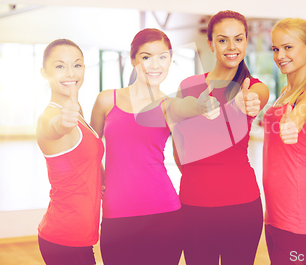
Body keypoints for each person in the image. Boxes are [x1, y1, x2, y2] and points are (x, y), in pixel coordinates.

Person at [90, 28, 219, 265]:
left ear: (170, 60)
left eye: (163, 57)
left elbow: (185, 107)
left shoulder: (168, 105)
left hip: (164, 214)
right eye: (146, 56)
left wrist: (201, 106)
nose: (155, 65)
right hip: (116, 213)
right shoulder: (107, 100)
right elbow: (91, 149)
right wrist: (102, 178)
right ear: (133, 59)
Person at [172, 10, 269, 265]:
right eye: (223, 39)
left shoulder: (253, 86)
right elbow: (178, 144)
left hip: (241, 207)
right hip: (194, 206)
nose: (231, 46)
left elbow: (256, 97)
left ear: (246, 41)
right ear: (211, 43)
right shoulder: (189, 86)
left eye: (238, 39)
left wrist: (244, 100)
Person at [262, 18, 306, 265]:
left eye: (288, 47)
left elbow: (300, 114)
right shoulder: (285, 93)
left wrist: (292, 124)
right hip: (275, 211)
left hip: (295, 212)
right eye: (276, 49)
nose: (280, 55)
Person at [36, 39, 104, 265]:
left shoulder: (78, 111)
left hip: (81, 235)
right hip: (64, 239)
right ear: (44, 73)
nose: (70, 72)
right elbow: (54, 127)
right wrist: (62, 123)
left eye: (77, 65)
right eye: (59, 66)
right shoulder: (50, 116)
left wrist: (102, 181)